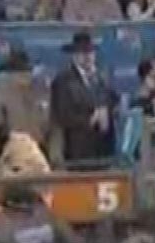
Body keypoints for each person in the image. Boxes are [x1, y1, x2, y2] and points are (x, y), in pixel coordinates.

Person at [50, 31, 116, 165]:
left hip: (102, 147)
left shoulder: (100, 78)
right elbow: (62, 115)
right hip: (78, 149)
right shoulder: (63, 80)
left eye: (90, 52)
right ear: (74, 55)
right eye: (82, 53)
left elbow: (112, 99)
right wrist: (90, 119)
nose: (87, 57)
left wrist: (105, 111)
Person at [0, 47, 51, 163]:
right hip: (13, 157)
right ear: (11, 74)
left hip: (41, 153)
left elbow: (52, 126)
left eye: (27, 71)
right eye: (20, 72)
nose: (25, 76)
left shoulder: (42, 93)